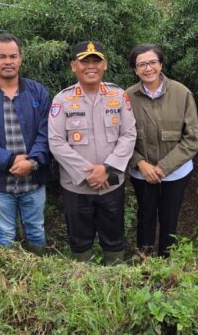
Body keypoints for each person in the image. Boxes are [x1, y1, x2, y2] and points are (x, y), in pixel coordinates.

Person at [48, 41, 136, 265]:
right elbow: (56, 141)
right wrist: (88, 173)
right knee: (79, 240)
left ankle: (115, 281)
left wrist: (106, 169)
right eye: (84, 61)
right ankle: (83, 286)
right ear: (73, 66)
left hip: (111, 184)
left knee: (114, 237)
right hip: (76, 186)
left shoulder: (118, 95)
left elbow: (128, 134)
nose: (90, 66)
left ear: (104, 65)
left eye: (95, 61)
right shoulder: (62, 100)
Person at [0, 33, 51, 254]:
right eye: (2, 56)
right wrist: (10, 160)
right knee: (4, 234)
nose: (8, 61)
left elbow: (47, 133)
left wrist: (32, 162)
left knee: (36, 230)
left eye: (13, 56)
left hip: (33, 179)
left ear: (21, 59)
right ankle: (10, 282)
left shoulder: (38, 92)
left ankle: (38, 276)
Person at [126, 44, 198, 257]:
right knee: (145, 216)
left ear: (161, 64)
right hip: (142, 173)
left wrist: (163, 168)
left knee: (170, 218)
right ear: (135, 70)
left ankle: (167, 262)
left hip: (176, 172)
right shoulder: (127, 97)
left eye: (152, 62)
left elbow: (192, 138)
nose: (148, 68)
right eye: (142, 64)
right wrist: (140, 163)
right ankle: (145, 261)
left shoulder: (182, 93)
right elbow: (122, 138)